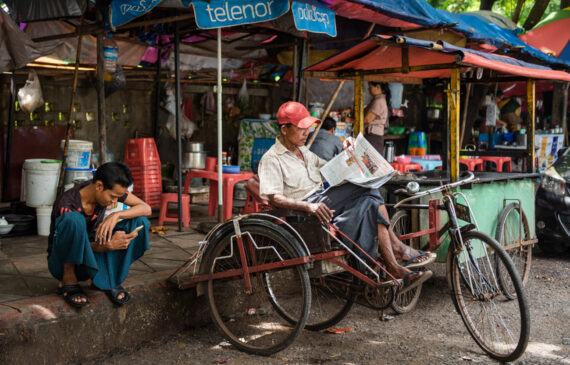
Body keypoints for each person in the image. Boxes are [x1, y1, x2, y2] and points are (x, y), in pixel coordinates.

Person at [258, 101, 434, 291]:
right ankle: (398, 251)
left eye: (307, 128)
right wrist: (309, 207)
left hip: (324, 200)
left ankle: (393, 265)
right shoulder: (272, 158)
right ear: (284, 129)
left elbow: (329, 169)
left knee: (370, 197)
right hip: (306, 211)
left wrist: (346, 154)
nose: (306, 132)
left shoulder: (304, 152)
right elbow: (275, 198)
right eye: (301, 128)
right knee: (369, 191)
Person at [47, 162, 152, 308]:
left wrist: (116, 215)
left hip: (92, 254)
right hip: (65, 260)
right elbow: (75, 243)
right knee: (74, 220)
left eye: (118, 197)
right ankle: (68, 280)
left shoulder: (108, 189)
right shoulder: (68, 204)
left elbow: (146, 208)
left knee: (140, 222)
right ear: (99, 186)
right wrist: (106, 246)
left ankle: (107, 278)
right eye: (113, 197)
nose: (115, 201)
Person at [363, 81, 391, 155]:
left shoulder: (379, 101)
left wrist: (351, 120)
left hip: (373, 137)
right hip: (374, 136)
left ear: (378, 87)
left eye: (370, 87)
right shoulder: (377, 99)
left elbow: (367, 119)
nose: (369, 89)